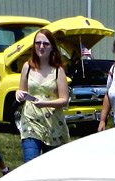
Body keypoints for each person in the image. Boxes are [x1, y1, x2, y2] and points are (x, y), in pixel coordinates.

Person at [16, 28, 69, 162]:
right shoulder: (27, 67)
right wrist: (19, 94)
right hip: (30, 121)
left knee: (50, 168)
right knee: (30, 162)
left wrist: (45, 103)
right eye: (38, 43)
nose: (41, 47)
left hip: (53, 125)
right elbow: (21, 90)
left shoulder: (58, 70)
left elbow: (64, 99)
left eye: (45, 44)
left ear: (52, 47)